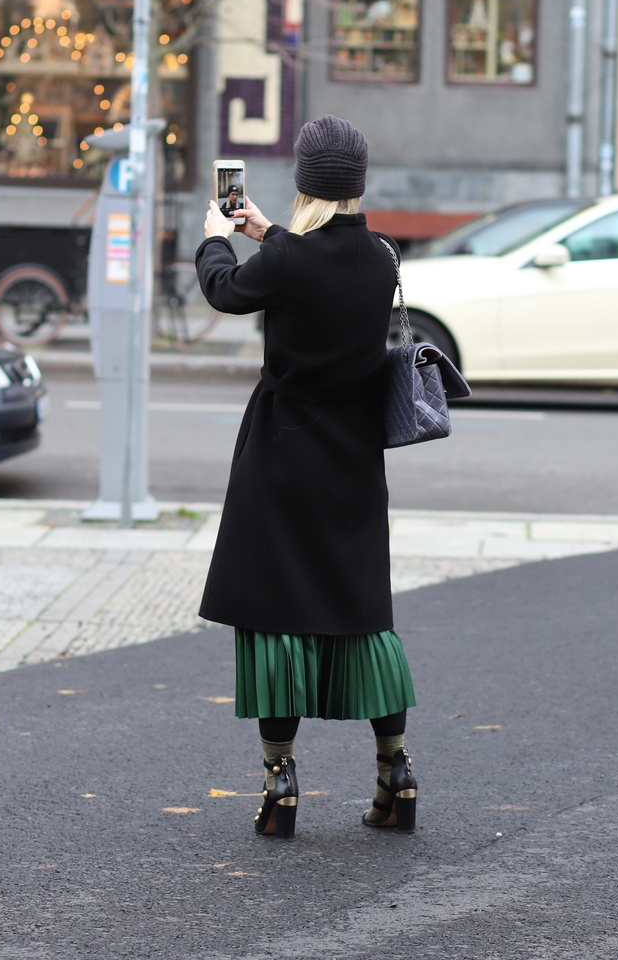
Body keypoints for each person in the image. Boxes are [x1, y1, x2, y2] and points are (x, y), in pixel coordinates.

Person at [196, 115, 417, 840]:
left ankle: (280, 780)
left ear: (303, 181)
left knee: (276, 616)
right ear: (357, 183)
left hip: (283, 458)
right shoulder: (382, 257)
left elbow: (228, 292)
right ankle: (396, 771)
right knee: (362, 617)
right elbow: (319, 264)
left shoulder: (288, 262)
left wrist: (216, 237)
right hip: (353, 461)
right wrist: (267, 234)